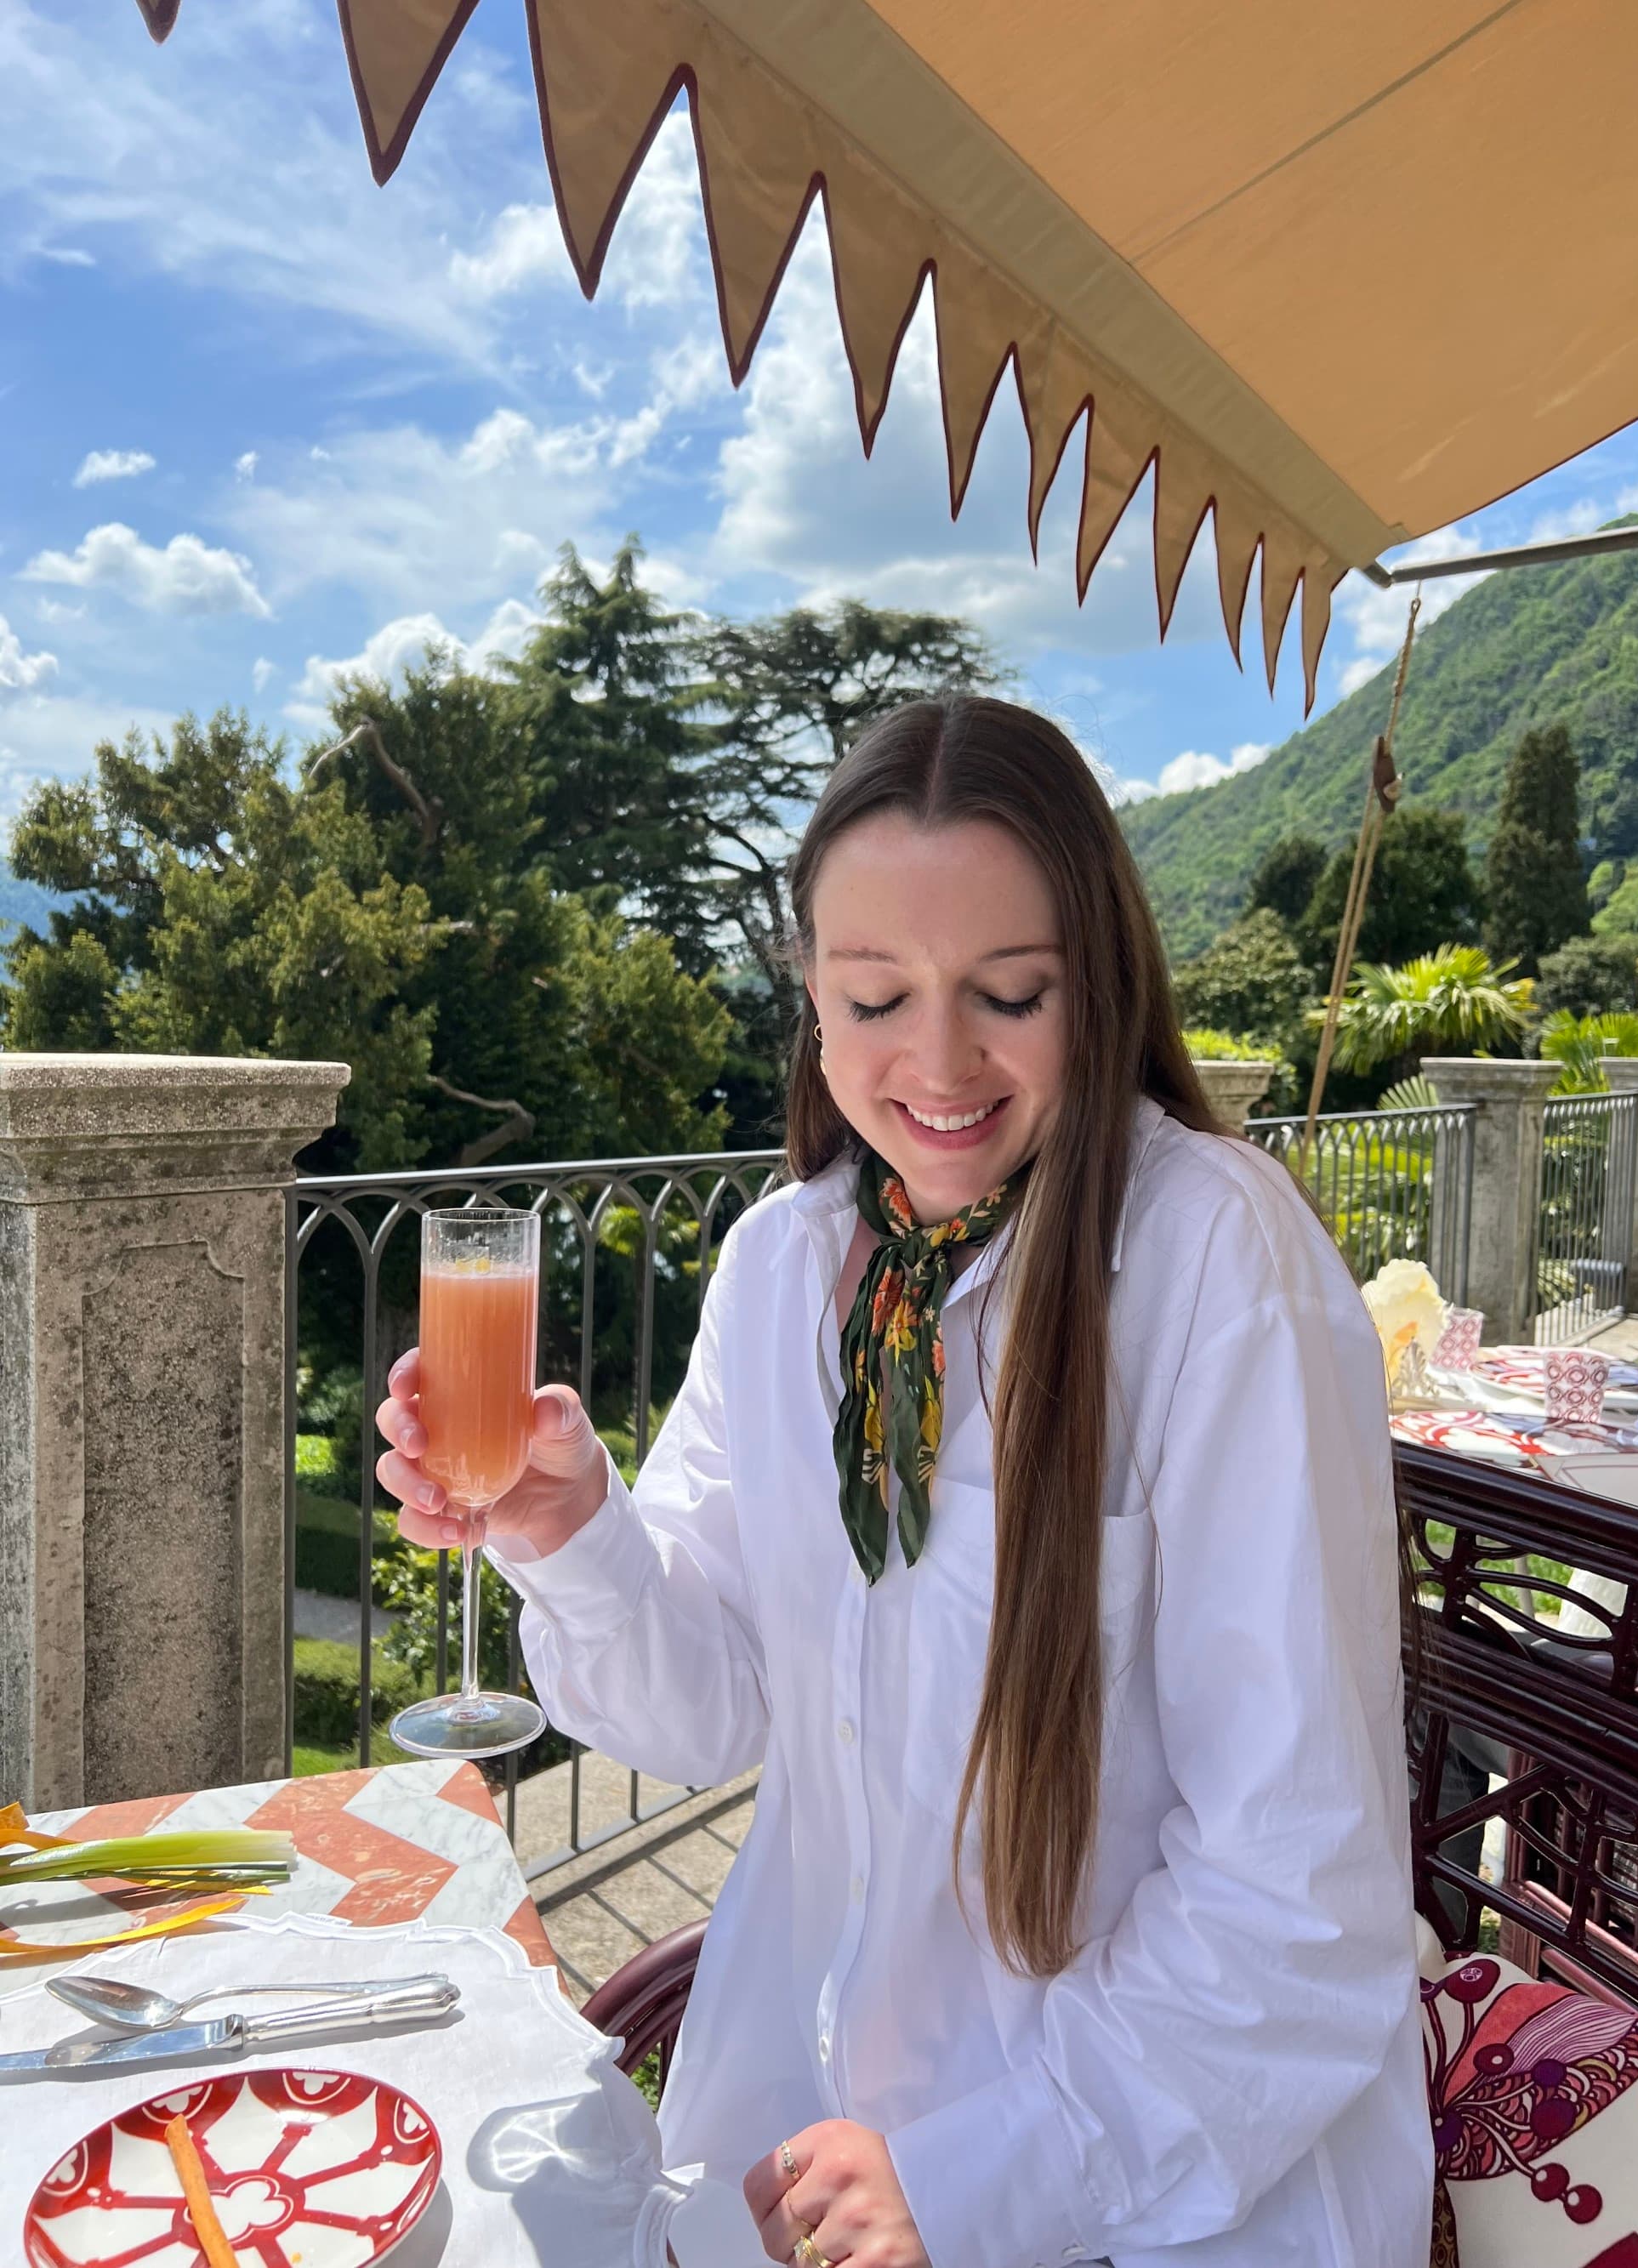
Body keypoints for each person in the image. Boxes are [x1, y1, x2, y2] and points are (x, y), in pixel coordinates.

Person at [378, 697, 1431, 2268]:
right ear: (810, 996)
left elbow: (1303, 1879)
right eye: (875, 996)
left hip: (1159, 2180)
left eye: (1010, 992)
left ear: (1102, 980)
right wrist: (572, 1532)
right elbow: (717, 1705)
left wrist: (976, 2176)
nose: (939, 1063)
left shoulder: (1218, 1262)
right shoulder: (784, 1268)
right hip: (793, 2143)